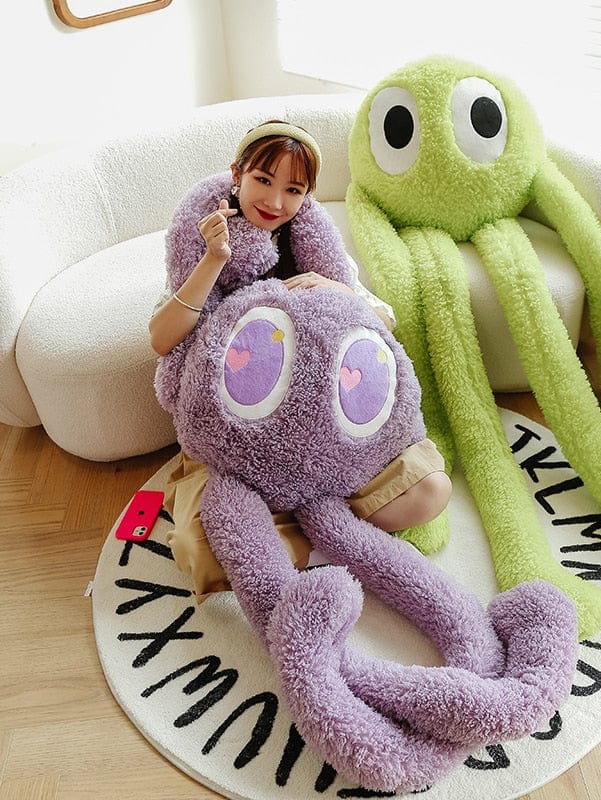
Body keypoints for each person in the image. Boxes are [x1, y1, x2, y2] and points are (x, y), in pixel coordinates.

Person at [150, 120, 451, 600]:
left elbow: (381, 323)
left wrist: (336, 289)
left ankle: (301, 522)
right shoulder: (203, 235)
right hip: (238, 445)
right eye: (263, 180)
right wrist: (214, 258)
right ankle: (324, 524)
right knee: (197, 549)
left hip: (328, 438)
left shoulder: (313, 243)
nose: (275, 201)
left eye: (293, 190)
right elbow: (162, 339)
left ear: (306, 195)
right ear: (237, 174)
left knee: (431, 490)